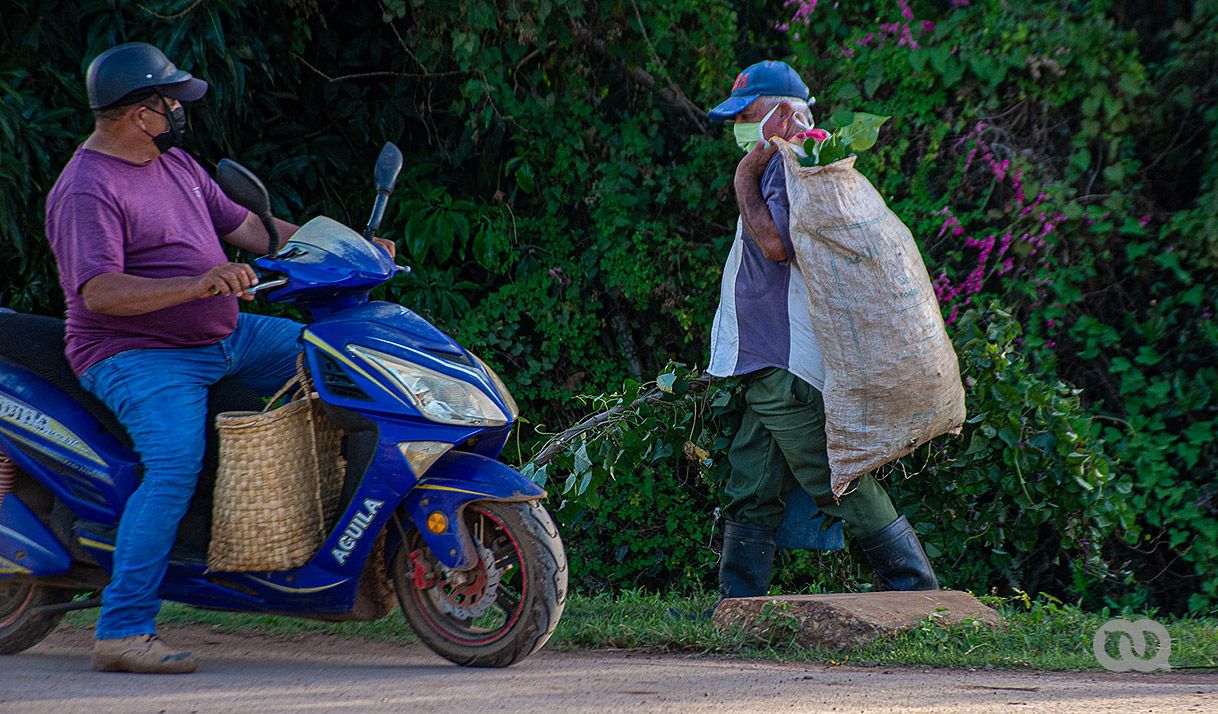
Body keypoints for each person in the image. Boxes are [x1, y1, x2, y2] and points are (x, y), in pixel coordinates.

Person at [44, 42, 395, 674]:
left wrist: (348, 247)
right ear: (140, 112)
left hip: (222, 339)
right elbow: (97, 292)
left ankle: (334, 549)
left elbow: (256, 231)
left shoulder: (176, 166)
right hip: (136, 353)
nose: (183, 109)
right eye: (172, 100)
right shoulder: (86, 189)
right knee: (176, 463)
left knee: (348, 364)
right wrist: (199, 284)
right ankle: (122, 630)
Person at [706, 60, 938, 601]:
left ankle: (914, 587)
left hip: (787, 361)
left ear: (781, 112)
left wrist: (744, 178)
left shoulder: (797, 163)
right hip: (763, 356)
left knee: (834, 478)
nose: (738, 126)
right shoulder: (789, 161)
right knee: (750, 482)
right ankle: (739, 606)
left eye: (745, 114)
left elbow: (776, 245)